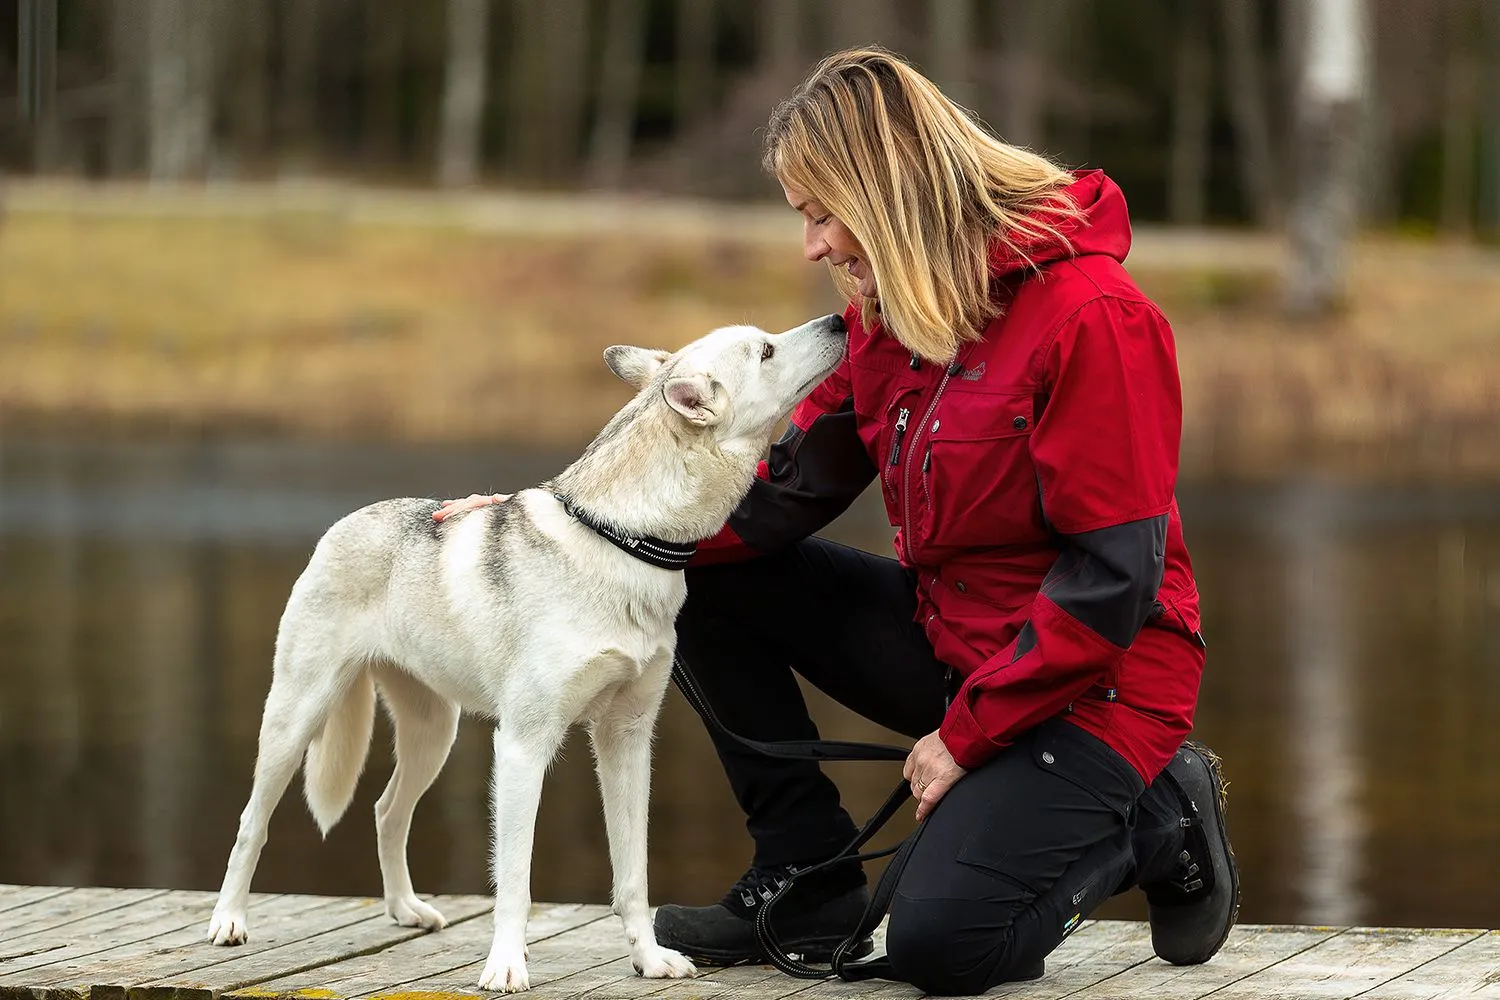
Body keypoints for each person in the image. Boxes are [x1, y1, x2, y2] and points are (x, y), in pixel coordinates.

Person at [436, 47, 1238, 997]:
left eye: (821, 213)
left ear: (888, 188)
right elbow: (772, 490)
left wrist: (967, 736)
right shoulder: (894, 315)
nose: (812, 245)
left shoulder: (1096, 318)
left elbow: (1112, 581)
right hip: (956, 649)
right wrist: (559, 527)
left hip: (1098, 687)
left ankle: (1157, 817)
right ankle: (805, 874)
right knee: (688, 566)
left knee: (943, 947)